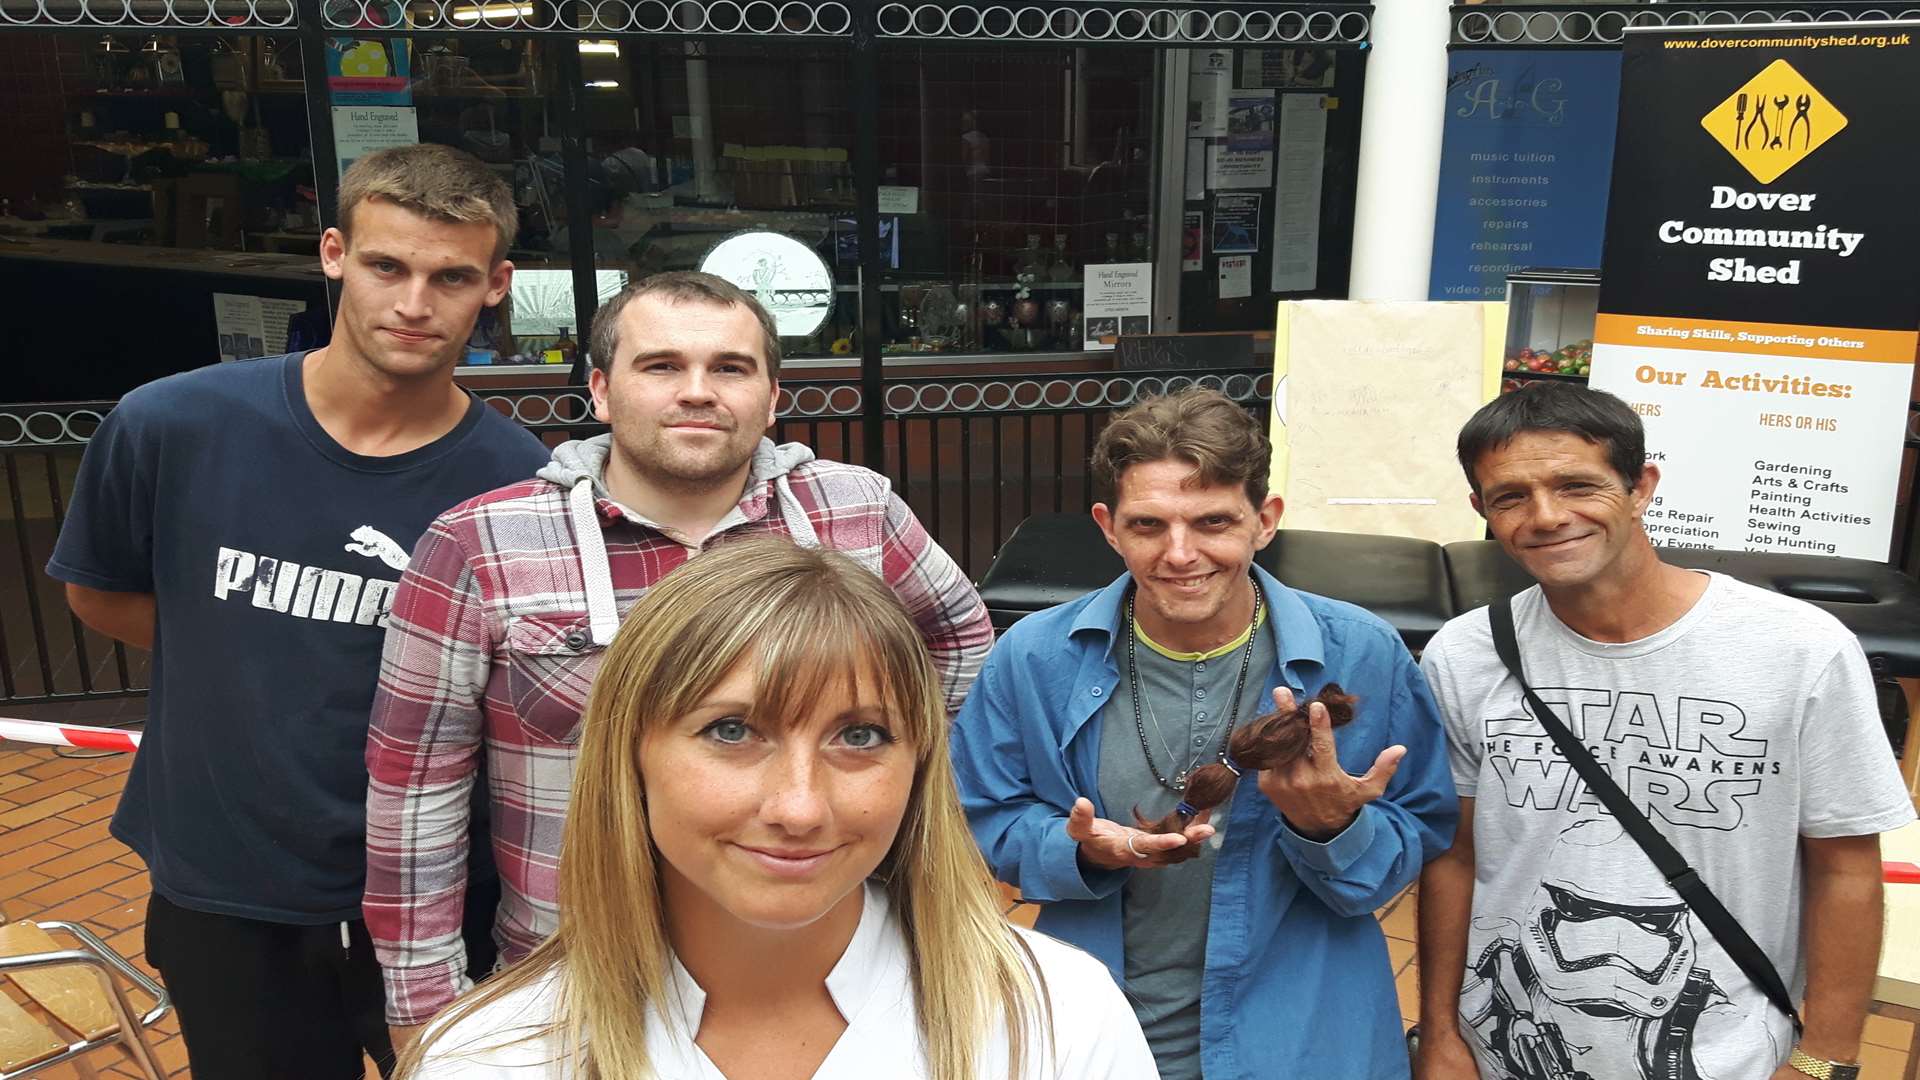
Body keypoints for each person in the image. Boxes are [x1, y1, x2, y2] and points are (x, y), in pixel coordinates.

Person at [366, 270, 995, 1038]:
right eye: (661, 366)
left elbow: (964, 646)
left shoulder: (855, 512)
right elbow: (415, 789)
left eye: (730, 368)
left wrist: (874, 769)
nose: (698, 391)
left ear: (770, 398)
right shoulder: (481, 545)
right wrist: (424, 1005)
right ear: (599, 390)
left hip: (827, 973)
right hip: (577, 977)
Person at [46, 142, 548, 1079]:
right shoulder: (171, 425)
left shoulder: (520, 481)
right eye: (386, 266)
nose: (412, 303)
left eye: (451, 276)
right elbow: (99, 593)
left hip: (445, 889)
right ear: (332, 254)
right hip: (229, 885)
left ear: (495, 285)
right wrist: (258, 642)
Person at [394, 537, 1157, 1079]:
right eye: (732, 731)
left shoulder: (1056, 1021)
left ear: (920, 764)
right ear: (630, 753)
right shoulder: (489, 1057)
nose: (799, 807)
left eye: (860, 735)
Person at [950, 387, 1459, 1080]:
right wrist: (1088, 853)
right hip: (1097, 1039)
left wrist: (1332, 829)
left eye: (1213, 522)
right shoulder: (1034, 658)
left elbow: (1414, 843)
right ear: (1108, 526)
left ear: (1265, 520)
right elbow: (986, 821)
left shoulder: (1360, 652)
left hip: (1302, 1041)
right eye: (1148, 525)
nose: (1180, 554)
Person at [1415, 382, 1915, 1080]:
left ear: (1641, 486)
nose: (1547, 515)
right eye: (1511, 497)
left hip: (1731, 1057)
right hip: (1506, 1052)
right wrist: (1440, 1034)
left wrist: (1823, 1059)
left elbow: (1845, 868)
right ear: (1483, 512)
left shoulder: (1797, 649)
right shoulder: (1466, 655)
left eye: (1577, 485)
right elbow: (1455, 856)